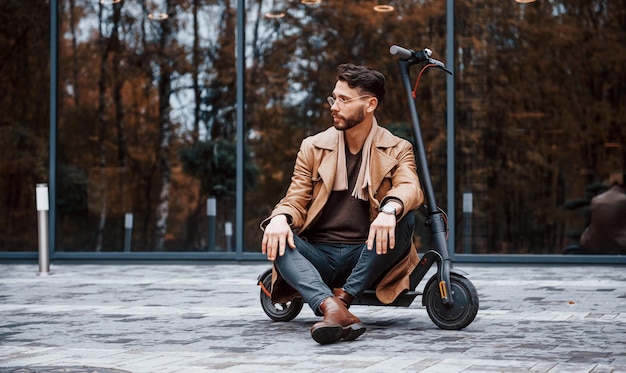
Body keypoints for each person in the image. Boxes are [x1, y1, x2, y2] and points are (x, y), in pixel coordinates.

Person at [260, 63, 424, 344]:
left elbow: (410, 186)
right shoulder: (313, 146)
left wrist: (389, 209)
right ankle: (333, 308)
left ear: (370, 104)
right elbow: (295, 199)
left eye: (344, 100)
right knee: (275, 234)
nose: (334, 106)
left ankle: (342, 300)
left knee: (404, 217)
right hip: (320, 256)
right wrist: (279, 219)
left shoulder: (398, 148)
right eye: (333, 98)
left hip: (369, 256)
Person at [580, 176, 626, 255]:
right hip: (619, 246)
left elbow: (589, 223)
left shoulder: (596, 199)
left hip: (592, 244)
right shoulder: (623, 200)